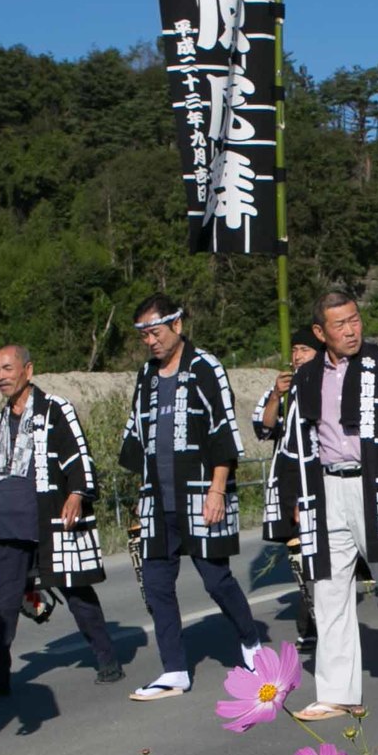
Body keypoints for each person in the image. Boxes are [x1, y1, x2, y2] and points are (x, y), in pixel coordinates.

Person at [269, 289, 378, 720]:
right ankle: (338, 693)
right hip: (325, 489)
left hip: (375, 486)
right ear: (319, 331)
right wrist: (293, 497)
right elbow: (295, 440)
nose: (350, 330)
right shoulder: (308, 375)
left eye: (354, 320)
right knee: (327, 589)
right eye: (340, 324)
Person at [116, 295, 268, 702]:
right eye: (144, 334)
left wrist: (218, 489)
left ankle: (252, 644)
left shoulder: (205, 367)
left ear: (177, 325)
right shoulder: (146, 376)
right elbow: (139, 434)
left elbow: (222, 430)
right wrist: (140, 494)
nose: (151, 341)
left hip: (202, 492)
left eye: (156, 331)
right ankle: (174, 670)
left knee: (215, 578)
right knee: (156, 583)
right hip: (157, 496)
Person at [0, 344, 121, 702]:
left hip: (50, 519)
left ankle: (107, 659)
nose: (1, 376)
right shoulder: (0, 421)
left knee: (76, 591)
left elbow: (79, 454)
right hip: (9, 527)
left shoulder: (56, 409)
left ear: (28, 370)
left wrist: (77, 494)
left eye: (7, 368)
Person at [253, 336, 319, 657]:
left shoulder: (327, 385)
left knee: (316, 556)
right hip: (288, 477)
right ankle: (310, 624)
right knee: (298, 556)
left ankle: (316, 624)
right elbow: (264, 429)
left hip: (316, 477)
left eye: (304, 349)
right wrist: (277, 395)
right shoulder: (283, 390)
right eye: (294, 350)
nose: (297, 355)